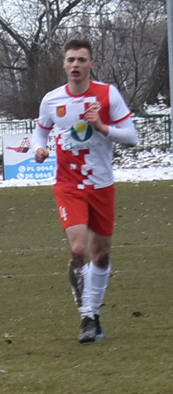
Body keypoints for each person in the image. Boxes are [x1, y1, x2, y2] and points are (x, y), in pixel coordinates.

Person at [31, 38, 137, 343]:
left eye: (81, 60)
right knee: (79, 249)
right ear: (64, 64)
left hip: (101, 185)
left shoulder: (107, 94)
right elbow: (40, 132)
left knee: (101, 255)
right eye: (70, 60)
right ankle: (87, 316)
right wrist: (40, 149)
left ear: (92, 64)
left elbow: (132, 137)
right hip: (68, 185)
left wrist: (104, 128)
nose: (75, 65)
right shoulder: (52, 99)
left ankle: (93, 314)